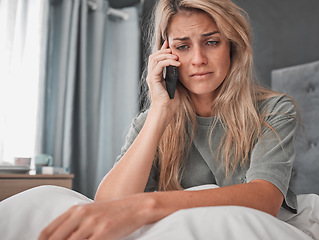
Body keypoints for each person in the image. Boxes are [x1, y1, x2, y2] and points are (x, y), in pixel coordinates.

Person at [39, 0, 298, 239]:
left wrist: (150, 204)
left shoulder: (273, 110)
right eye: (182, 47)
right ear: (165, 56)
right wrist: (160, 112)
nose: (198, 59)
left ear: (232, 45)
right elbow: (107, 205)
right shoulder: (150, 122)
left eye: (211, 42)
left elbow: (265, 199)